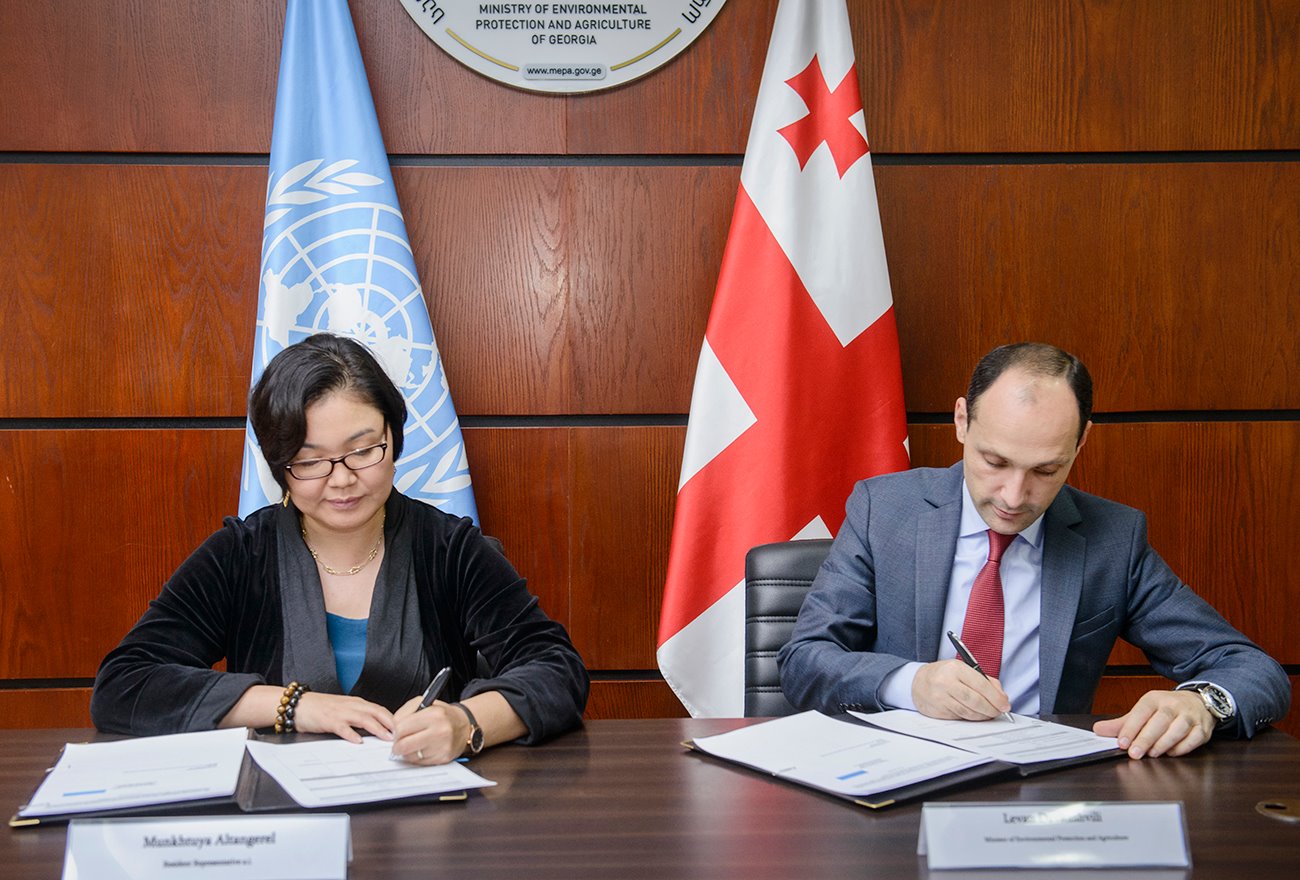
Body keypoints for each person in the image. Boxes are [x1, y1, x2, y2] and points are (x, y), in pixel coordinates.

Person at [92, 333, 588, 763]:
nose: (343, 480)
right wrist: (293, 706)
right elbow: (125, 683)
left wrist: (466, 723)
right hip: (286, 818)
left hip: (429, 812)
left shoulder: (449, 549)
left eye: (363, 450)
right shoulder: (241, 556)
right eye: (311, 461)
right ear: (280, 465)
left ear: (393, 437)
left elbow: (557, 668)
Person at [778, 342, 1289, 759]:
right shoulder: (884, 509)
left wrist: (1204, 702)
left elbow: (1251, 669)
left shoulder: (1113, 539)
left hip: (1042, 790)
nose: (1013, 496)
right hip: (896, 777)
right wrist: (910, 684)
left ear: (1081, 443)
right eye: (994, 461)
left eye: (1045, 470)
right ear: (962, 421)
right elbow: (804, 661)